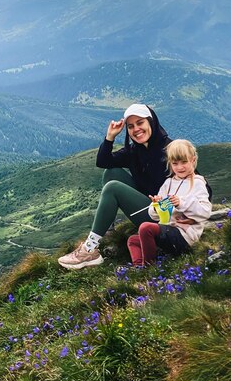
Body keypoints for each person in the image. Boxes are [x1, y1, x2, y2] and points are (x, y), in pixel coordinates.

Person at [58, 103, 172, 270]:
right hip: (148, 207)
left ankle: (89, 249)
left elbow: (200, 185)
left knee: (112, 187)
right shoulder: (134, 151)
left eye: (140, 123)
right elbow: (103, 162)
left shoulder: (171, 149)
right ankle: (107, 228)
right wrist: (110, 137)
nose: (136, 129)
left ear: (151, 122)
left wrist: (174, 205)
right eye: (131, 126)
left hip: (164, 217)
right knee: (112, 173)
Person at [127, 139, 212, 267]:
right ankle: (138, 268)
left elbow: (205, 212)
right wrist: (156, 206)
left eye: (184, 162)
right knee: (133, 240)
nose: (180, 167)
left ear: (193, 160)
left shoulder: (198, 183)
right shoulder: (168, 183)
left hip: (184, 236)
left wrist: (181, 203)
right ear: (170, 163)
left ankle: (149, 266)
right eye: (175, 163)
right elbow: (154, 215)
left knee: (145, 228)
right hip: (167, 232)